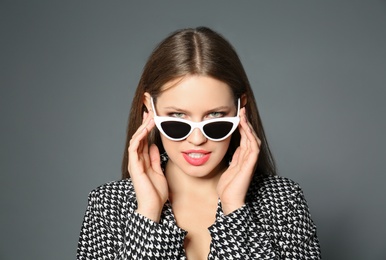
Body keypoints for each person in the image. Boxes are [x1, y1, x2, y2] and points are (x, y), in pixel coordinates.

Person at [77, 26, 321, 259]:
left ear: (241, 108)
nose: (197, 139)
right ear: (148, 108)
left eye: (215, 117)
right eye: (177, 117)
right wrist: (148, 214)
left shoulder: (284, 202)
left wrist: (235, 210)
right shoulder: (106, 207)